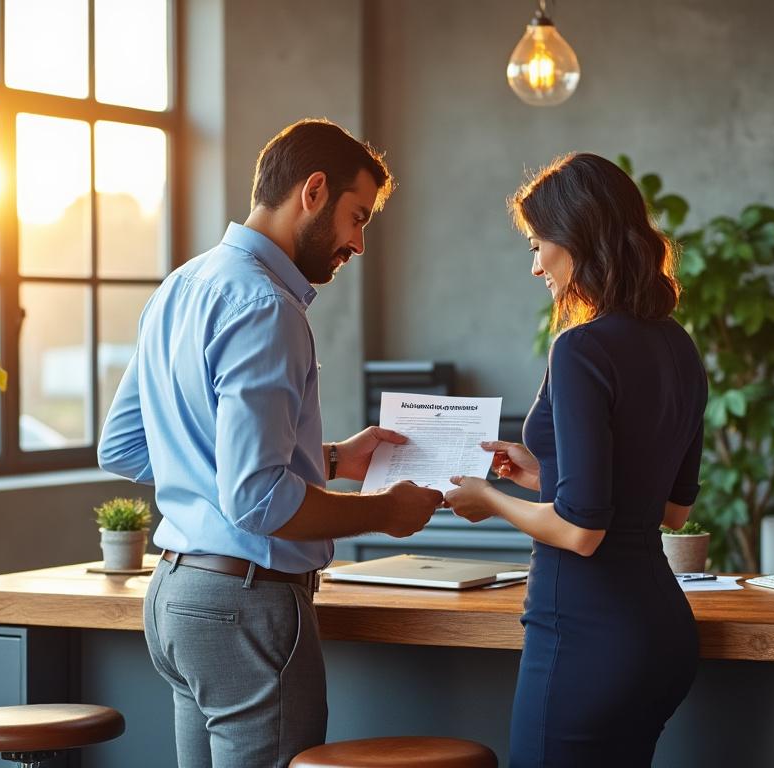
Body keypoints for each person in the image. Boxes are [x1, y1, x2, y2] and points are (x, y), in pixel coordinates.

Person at [98, 119, 444, 768]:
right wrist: (383, 511)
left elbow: (122, 446)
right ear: (313, 191)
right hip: (246, 606)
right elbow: (256, 500)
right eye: (356, 217)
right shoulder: (267, 305)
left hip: (177, 596)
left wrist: (333, 459)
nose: (359, 244)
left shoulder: (180, 285)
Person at [443, 152, 706, 767]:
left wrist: (490, 499)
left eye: (538, 245)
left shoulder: (581, 348)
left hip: (585, 636)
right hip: (660, 634)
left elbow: (583, 533)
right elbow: (669, 508)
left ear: (579, 238)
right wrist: (541, 474)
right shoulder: (678, 344)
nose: (535, 265)